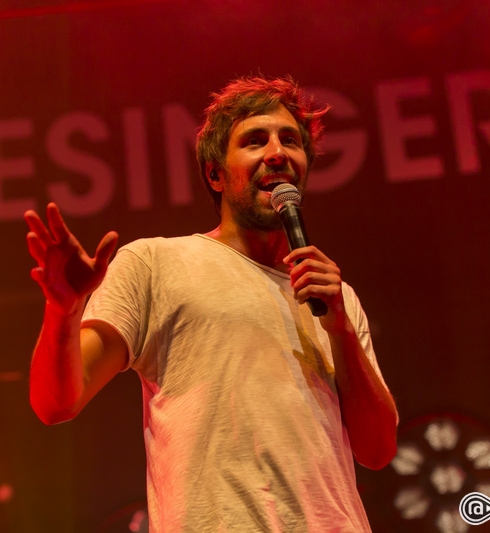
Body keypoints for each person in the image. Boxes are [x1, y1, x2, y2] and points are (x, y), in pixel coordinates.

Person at [24, 76, 398, 532]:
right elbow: (56, 403)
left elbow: (378, 451)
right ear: (215, 174)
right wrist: (63, 312)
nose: (278, 152)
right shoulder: (157, 262)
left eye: (291, 141)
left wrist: (340, 328)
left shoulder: (334, 296)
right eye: (255, 141)